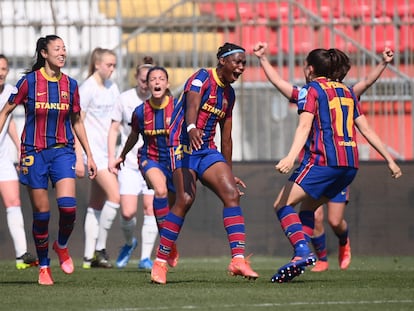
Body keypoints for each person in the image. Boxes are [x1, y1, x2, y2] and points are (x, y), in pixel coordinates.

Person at [253, 43, 395, 272]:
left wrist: (290, 157)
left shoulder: (311, 91)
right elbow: (366, 128)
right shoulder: (347, 92)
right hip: (349, 166)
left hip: (323, 161)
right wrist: (389, 159)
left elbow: (303, 125)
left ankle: (302, 253)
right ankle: (304, 256)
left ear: (310, 69)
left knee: (282, 205)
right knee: (308, 210)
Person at [150, 42, 259, 285]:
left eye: (244, 64)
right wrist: (191, 128)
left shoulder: (229, 93)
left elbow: (227, 137)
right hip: (182, 143)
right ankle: (160, 262)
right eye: (238, 62)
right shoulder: (201, 77)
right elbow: (192, 106)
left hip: (207, 149)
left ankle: (238, 260)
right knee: (186, 199)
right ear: (223, 61)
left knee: (232, 194)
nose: (241, 68)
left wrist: (229, 172)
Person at [0, 35, 97, 285]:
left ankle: (61, 245)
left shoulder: (71, 85)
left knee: (68, 207)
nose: (62, 52)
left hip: (63, 151)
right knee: (41, 213)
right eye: (57, 49)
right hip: (33, 153)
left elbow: (76, 120)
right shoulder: (28, 82)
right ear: (44, 53)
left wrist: (89, 154)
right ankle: (44, 266)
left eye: (64, 48)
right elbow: (6, 110)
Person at [114, 66, 179, 271]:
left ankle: (169, 242)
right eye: (153, 79)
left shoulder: (178, 108)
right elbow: (134, 136)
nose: (157, 82)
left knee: (169, 209)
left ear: (167, 84)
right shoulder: (141, 111)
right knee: (158, 191)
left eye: (161, 79)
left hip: (173, 163)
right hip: (149, 159)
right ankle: (165, 248)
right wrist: (122, 155)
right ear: (147, 84)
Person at [107, 56, 158, 270]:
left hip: (153, 162)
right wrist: (112, 157)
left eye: (151, 79)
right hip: (129, 162)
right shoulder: (125, 99)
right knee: (127, 212)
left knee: (150, 208)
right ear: (136, 78)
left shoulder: (161, 101)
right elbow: (114, 128)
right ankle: (129, 243)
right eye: (143, 78)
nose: (146, 83)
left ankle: (145, 257)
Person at [80, 47, 120, 269]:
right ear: (97, 64)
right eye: (108, 65)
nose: (112, 69)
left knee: (96, 203)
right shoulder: (87, 89)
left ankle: (87, 257)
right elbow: (77, 123)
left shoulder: (112, 87)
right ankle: (99, 249)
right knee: (115, 196)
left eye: (114, 65)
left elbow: (116, 120)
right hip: (93, 154)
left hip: (107, 153)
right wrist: (80, 156)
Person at [0, 54, 38, 270]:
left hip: (3, 158)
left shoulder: (10, 91)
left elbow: (10, 121)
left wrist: (19, 148)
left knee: (14, 203)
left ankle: (21, 255)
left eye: (4, 68)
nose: (1, 72)